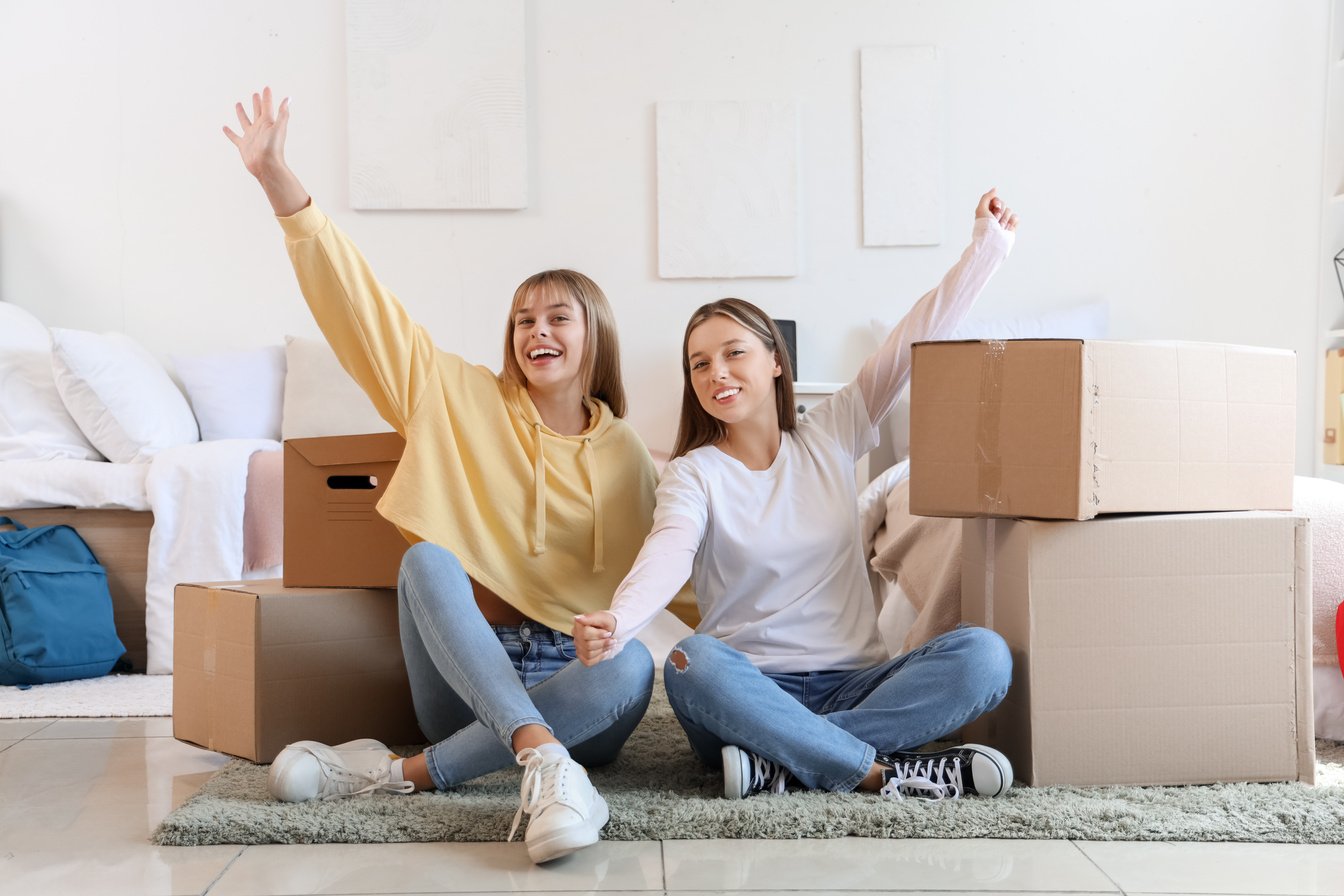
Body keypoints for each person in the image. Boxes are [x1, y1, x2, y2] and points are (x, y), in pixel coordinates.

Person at [223, 87, 696, 863]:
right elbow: (363, 313)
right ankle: (546, 760)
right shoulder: (457, 397)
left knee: (633, 666)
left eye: (557, 318)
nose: (536, 331)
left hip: (575, 681)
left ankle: (402, 772)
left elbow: (672, 581)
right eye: (523, 319)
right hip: (466, 675)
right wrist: (281, 184)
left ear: (594, 335)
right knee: (425, 560)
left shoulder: (627, 457)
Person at [573, 189, 1019, 802]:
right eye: (699, 364)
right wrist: (622, 620)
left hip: (854, 685)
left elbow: (918, 336)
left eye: (734, 353)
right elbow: (668, 550)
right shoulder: (693, 473)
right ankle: (875, 770)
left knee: (985, 657)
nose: (716, 374)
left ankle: (784, 763)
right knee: (692, 662)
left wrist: (986, 251)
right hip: (747, 693)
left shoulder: (834, 430)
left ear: (776, 362)